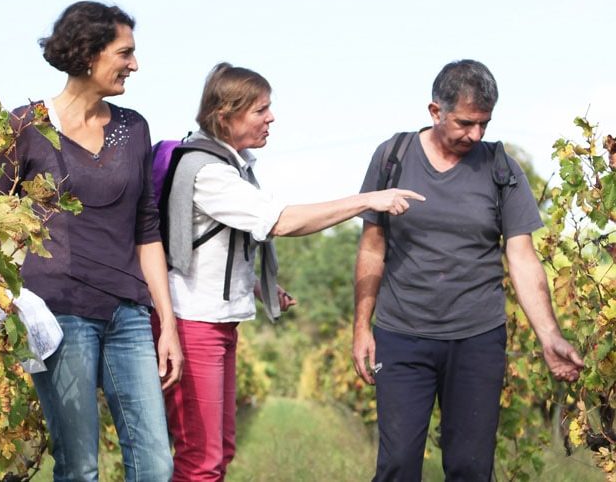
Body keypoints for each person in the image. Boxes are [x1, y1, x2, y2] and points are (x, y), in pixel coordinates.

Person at [157, 62, 424, 482]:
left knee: (217, 452)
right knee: (200, 460)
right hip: (194, 324)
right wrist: (367, 200)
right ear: (226, 115)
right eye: (261, 110)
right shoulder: (208, 171)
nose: (272, 118)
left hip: (215, 322)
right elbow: (281, 221)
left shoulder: (230, 165)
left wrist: (260, 287)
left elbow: (213, 243)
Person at [351, 59, 584, 481]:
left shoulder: (500, 168)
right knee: (398, 464)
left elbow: (522, 256)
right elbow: (372, 248)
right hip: (402, 336)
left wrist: (549, 335)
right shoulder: (393, 158)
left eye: (484, 124)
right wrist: (361, 327)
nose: (475, 135)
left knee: (471, 467)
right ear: (434, 111)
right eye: (465, 123)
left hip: (477, 339)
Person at [0, 1, 182, 481]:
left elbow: (147, 229)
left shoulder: (132, 128)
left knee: (155, 465)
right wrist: (2, 318)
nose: (134, 65)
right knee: (79, 468)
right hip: (59, 314)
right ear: (88, 53)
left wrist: (168, 324)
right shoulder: (24, 126)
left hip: (128, 315)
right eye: (125, 53)